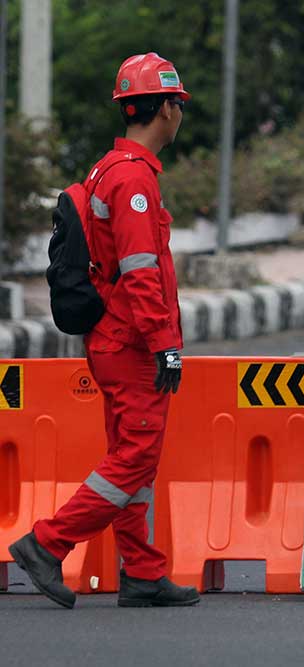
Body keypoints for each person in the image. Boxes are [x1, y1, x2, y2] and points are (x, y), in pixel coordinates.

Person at [7, 53, 198, 609]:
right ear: (165, 109)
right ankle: (47, 543)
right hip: (132, 342)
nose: (178, 115)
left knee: (132, 456)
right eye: (177, 105)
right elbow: (141, 272)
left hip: (112, 339)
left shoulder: (107, 170)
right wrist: (166, 345)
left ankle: (141, 572)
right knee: (135, 456)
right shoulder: (133, 180)